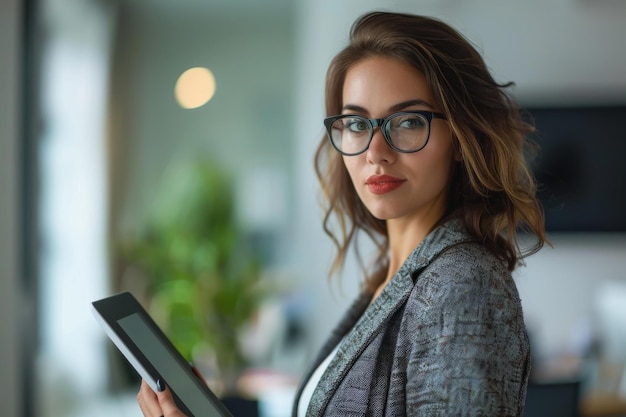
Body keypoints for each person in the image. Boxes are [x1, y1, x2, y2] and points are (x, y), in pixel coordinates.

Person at [137, 10, 547, 417]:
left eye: (406, 121)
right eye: (356, 123)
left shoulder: (461, 285)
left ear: (460, 137)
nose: (375, 153)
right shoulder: (393, 278)